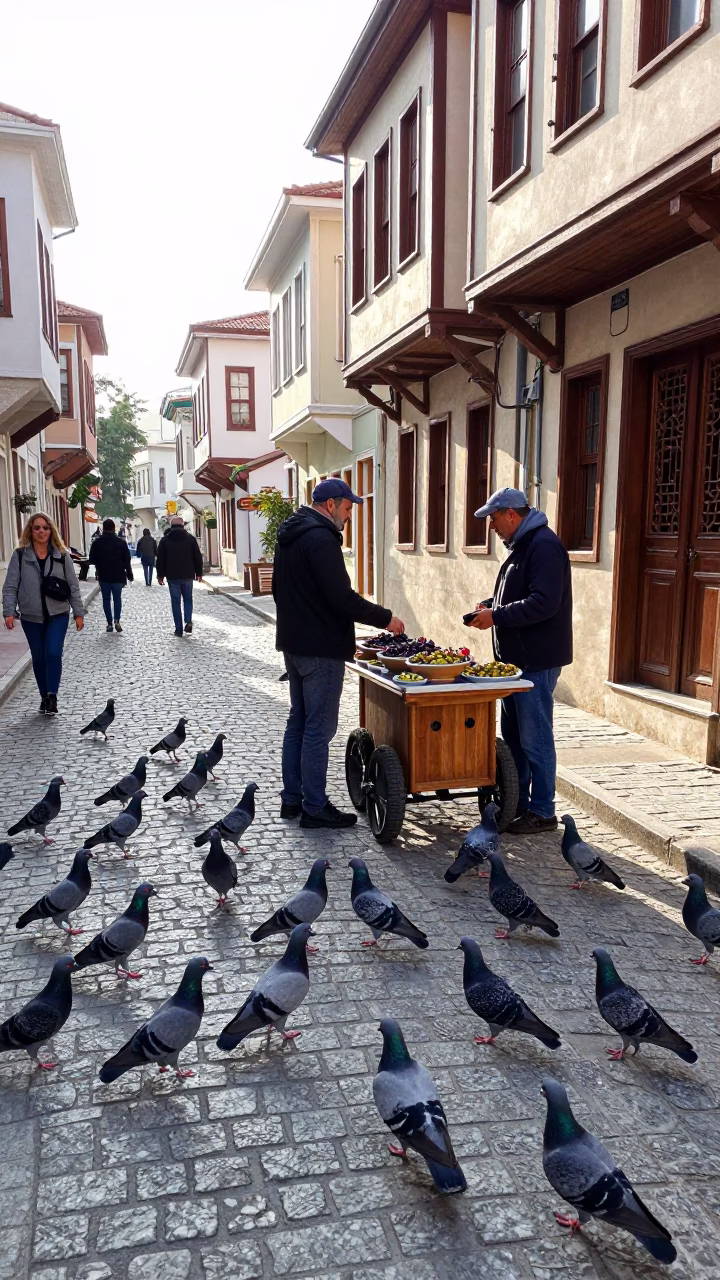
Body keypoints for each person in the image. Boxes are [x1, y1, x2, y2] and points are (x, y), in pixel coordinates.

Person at [273, 477, 405, 830]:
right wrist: (385, 618)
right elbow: (341, 599)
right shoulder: (321, 538)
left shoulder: (290, 535)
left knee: (298, 722)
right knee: (318, 729)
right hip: (320, 650)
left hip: (295, 644)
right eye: (347, 508)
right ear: (330, 505)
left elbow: (279, 592)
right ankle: (314, 807)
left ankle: (292, 800)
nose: (349, 516)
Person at [467, 487, 572, 834]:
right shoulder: (524, 544)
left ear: (511, 514)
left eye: (494, 519)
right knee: (514, 738)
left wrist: (497, 617)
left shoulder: (543, 546)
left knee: (535, 738)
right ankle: (519, 803)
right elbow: (519, 593)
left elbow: (544, 603)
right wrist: (490, 605)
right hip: (516, 663)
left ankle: (543, 810)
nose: (492, 526)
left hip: (536, 663)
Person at [2, 511, 85, 715]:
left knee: (53, 653)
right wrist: (8, 612)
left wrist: (78, 612)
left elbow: (73, 585)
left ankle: (53, 695)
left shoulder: (61, 554)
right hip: (32, 616)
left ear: (51, 531)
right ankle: (44, 697)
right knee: (39, 658)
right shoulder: (20, 555)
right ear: (31, 530)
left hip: (58, 613)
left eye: (45, 528)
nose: (41, 531)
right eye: (37, 527)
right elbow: (10, 585)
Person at [156, 515, 203, 636]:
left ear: (171, 526)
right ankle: (188, 620)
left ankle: (178, 629)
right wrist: (199, 573)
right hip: (188, 574)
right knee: (188, 599)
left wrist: (160, 576)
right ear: (183, 526)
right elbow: (197, 557)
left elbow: (160, 559)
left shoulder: (165, 540)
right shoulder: (190, 539)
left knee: (175, 602)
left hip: (172, 576)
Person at [89, 518, 133, 633]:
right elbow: (127, 560)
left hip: (104, 575)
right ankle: (117, 620)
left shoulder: (97, 543)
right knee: (117, 599)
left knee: (106, 599)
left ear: (103, 528)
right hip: (118, 575)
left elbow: (92, 559)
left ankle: (109, 623)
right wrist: (129, 574)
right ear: (114, 528)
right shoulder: (121, 542)